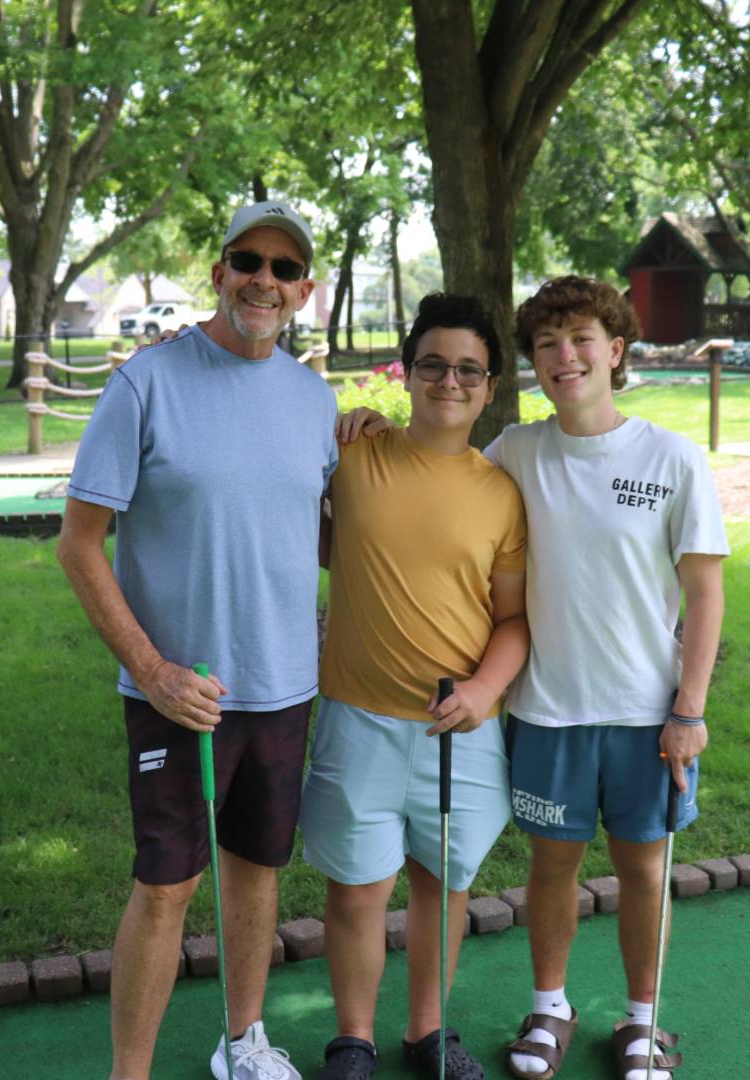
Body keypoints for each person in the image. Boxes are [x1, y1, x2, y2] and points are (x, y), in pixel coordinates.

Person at [56, 200, 331, 1080]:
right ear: (219, 274)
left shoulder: (315, 399)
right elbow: (79, 544)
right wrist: (152, 670)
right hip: (179, 693)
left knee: (257, 869)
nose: (264, 280)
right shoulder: (147, 383)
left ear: (304, 291)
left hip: (284, 686)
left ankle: (242, 1043)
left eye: (285, 268)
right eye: (248, 261)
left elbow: (321, 530)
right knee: (168, 884)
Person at [486, 277, 726, 1080]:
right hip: (547, 710)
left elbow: (704, 593)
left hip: (646, 716)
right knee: (552, 866)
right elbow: (444, 483)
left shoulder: (672, 458)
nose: (565, 356)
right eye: (546, 344)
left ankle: (643, 1023)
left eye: (582, 338)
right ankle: (550, 1007)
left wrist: (689, 710)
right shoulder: (515, 452)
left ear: (615, 350)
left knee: (644, 871)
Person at [304, 294, 529, 1080]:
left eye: (468, 369)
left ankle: (428, 1032)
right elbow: (316, 539)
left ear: (490, 385)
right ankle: (354, 1039)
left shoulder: (500, 492)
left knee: (443, 885)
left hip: (457, 726)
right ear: (406, 371)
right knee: (358, 891)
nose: (449, 381)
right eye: (432, 364)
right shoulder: (353, 456)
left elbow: (513, 620)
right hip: (357, 717)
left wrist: (484, 691)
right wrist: (354, 421)